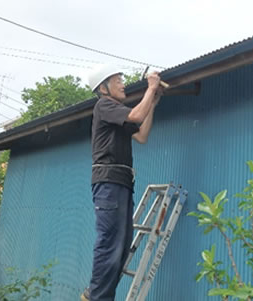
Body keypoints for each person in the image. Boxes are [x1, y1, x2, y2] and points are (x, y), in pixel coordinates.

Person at [81, 64, 162, 301]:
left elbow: (142, 134)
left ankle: (95, 295)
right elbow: (136, 114)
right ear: (103, 87)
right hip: (108, 181)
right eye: (118, 80)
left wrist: (153, 102)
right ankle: (96, 297)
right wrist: (151, 86)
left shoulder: (117, 114)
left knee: (122, 245)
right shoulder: (104, 105)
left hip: (121, 182)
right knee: (110, 243)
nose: (123, 84)